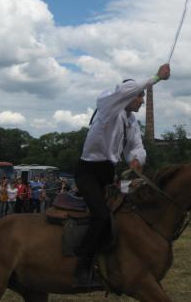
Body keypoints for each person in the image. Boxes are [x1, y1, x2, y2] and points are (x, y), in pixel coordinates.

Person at [73, 63, 170, 287]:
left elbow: (137, 146)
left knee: (124, 215)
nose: (142, 101)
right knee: (101, 216)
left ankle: (113, 261)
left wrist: (137, 159)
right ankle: (81, 267)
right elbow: (125, 90)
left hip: (108, 173)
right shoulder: (108, 106)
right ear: (129, 96)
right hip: (88, 172)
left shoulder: (131, 121)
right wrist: (156, 77)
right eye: (140, 97)